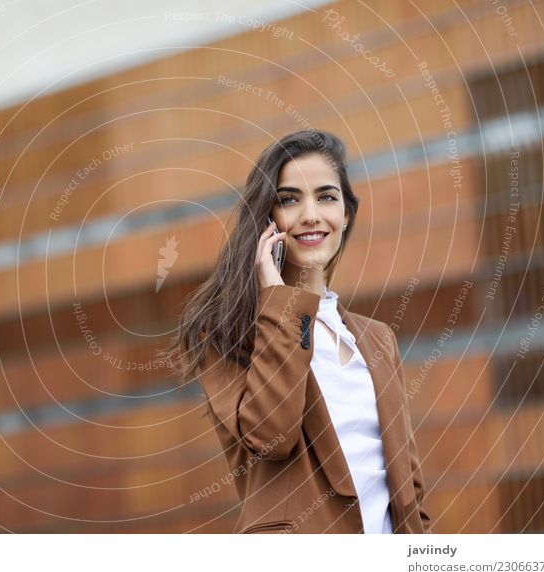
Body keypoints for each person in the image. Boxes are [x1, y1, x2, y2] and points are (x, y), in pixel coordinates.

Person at [158, 129, 432, 534]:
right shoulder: (225, 331)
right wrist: (279, 303)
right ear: (267, 219)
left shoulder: (377, 339)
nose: (310, 215)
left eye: (326, 197)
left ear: (346, 214)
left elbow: (409, 488)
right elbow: (273, 435)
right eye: (289, 199)